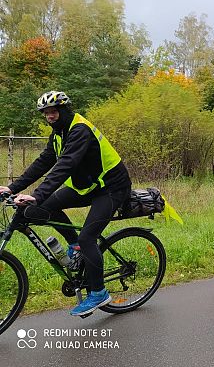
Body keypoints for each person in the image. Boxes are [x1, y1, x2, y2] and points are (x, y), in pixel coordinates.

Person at [0, 91, 131, 316]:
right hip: (88, 186)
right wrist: (13, 188)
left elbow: (66, 165)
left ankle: (99, 292)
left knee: (88, 237)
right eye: (46, 113)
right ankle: (75, 247)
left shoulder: (79, 129)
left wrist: (37, 194)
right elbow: (43, 163)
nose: (49, 116)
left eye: (53, 111)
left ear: (63, 110)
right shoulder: (59, 134)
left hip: (111, 188)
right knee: (45, 208)